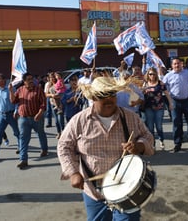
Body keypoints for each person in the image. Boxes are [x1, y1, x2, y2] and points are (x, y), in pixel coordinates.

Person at [57, 76, 155, 221]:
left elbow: (148, 137)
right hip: (94, 192)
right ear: (93, 98)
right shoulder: (79, 120)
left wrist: (139, 146)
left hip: (126, 188)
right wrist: (73, 172)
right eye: (103, 96)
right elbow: (64, 146)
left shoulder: (130, 117)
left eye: (112, 95)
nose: (109, 99)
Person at [9, 72, 49, 169]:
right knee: (23, 138)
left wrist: (39, 114)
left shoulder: (38, 90)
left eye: (32, 79)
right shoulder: (20, 90)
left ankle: (44, 149)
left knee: (41, 133)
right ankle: (23, 160)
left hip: (36, 118)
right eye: (29, 79)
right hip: (23, 119)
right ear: (24, 81)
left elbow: (43, 104)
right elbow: (13, 101)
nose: (31, 81)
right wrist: (10, 91)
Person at [162, 57, 188, 152]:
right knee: (176, 122)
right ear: (172, 65)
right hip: (175, 101)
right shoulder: (168, 76)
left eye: (178, 63)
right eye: (174, 64)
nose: (176, 65)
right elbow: (163, 87)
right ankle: (177, 143)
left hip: (187, 100)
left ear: (182, 64)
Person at [0, 73, 20, 161]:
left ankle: (21, 147)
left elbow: (17, 102)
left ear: (4, 80)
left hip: (11, 114)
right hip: (2, 116)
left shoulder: (11, 89)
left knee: (16, 132)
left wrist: (16, 111)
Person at [142, 67, 173, 150]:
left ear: (156, 74)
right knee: (150, 127)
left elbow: (167, 94)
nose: (152, 75)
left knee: (159, 126)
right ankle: (153, 143)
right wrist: (143, 90)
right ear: (148, 75)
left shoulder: (160, 83)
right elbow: (141, 94)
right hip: (148, 107)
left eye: (153, 74)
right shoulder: (145, 83)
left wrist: (170, 103)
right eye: (150, 74)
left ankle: (161, 140)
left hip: (159, 107)